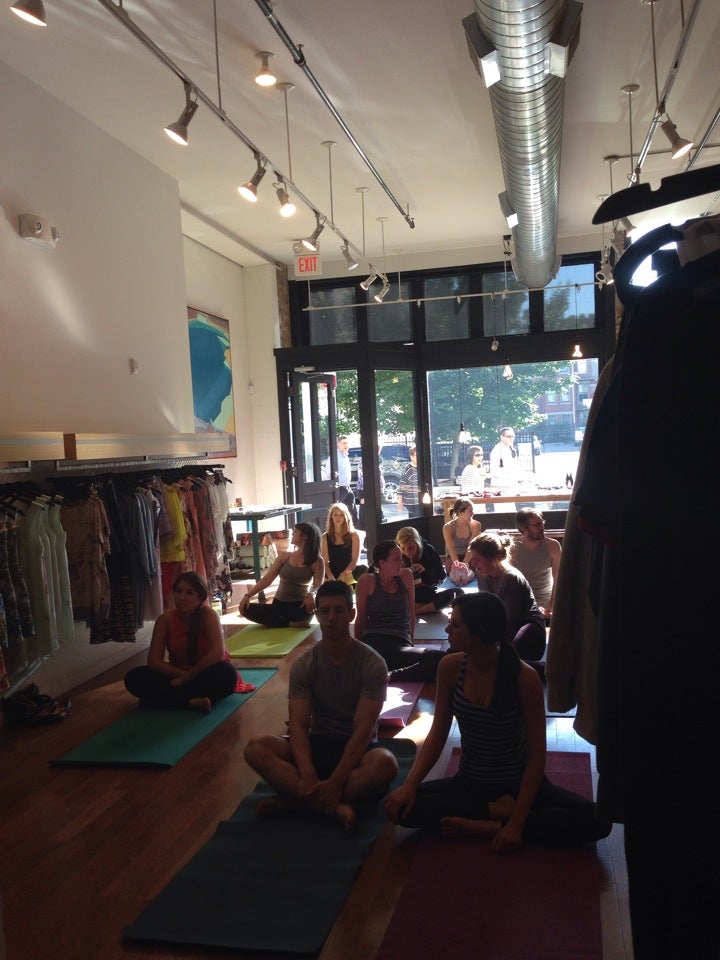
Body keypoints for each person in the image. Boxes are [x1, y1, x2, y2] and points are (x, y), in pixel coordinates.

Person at [384, 592, 611, 849]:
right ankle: (494, 811)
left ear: (479, 632)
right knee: (402, 808)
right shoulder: (450, 668)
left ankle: (490, 825)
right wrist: (410, 785)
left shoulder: (523, 678)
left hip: (518, 783)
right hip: (470, 782)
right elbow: (437, 735)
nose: (447, 630)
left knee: (598, 821)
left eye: (455, 625)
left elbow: (537, 756)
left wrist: (517, 823)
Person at [243, 580, 399, 832]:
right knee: (256, 748)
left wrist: (336, 781)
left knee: (386, 764)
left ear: (351, 614)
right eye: (324, 611)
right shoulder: (305, 664)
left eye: (338, 610)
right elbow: (298, 724)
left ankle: (297, 803)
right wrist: (307, 772)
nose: (331, 618)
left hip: (357, 752)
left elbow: (363, 731)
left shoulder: (372, 664)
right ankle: (332, 806)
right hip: (317, 744)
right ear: (316, 615)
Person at [124, 571, 252, 713]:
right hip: (177, 673)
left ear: (200, 597)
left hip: (205, 673)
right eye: (178, 591)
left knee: (227, 673)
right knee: (134, 677)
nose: (182, 597)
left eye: (189, 593)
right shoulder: (165, 620)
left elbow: (217, 653)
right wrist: (182, 675)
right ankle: (190, 702)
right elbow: (154, 661)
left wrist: (186, 678)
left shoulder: (209, 615)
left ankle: (170, 699)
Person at [354, 540, 446, 682]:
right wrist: (357, 652)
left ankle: (390, 675)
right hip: (373, 642)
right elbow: (360, 619)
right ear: (382, 563)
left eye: (401, 558)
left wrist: (411, 644)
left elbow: (411, 614)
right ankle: (382, 671)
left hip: (400, 643)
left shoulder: (406, 576)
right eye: (396, 559)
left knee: (441, 660)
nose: (402, 563)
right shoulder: (367, 581)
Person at [466, 531, 546, 664]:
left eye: (477, 559)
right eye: (472, 558)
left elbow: (509, 620)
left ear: (493, 558)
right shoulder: (481, 573)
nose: (472, 563)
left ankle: (535, 669)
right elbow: (485, 607)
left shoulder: (511, 578)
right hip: (501, 627)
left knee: (503, 654)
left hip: (525, 630)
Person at [238, 522, 324, 628]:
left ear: (305, 536)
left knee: (308, 609)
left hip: (300, 606)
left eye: (296, 532)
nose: (292, 534)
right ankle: (290, 623)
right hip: (279, 604)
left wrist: (312, 594)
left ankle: (281, 621)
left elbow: (318, 585)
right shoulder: (285, 556)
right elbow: (267, 579)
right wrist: (248, 596)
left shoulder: (317, 561)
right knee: (245, 609)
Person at [395, 526, 463, 614]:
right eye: (403, 548)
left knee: (458, 593)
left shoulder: (428, 550)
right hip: (404, 594)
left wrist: (426, 571)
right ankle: (429, 607)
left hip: (425, 593)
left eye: (411, 548)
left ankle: (415, 610)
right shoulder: (396, 553)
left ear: (418, 544)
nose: (407, 552)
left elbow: (441, 577)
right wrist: (403, 572)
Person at [511, 509, 562, 619]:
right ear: (524, 529)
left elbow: (558, 577)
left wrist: (552, 604)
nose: (542, 527)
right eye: (537, 525)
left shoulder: (553, 546)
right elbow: (510, 581)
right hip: (522, 600)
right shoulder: (513, 548)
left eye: (542, 523)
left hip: (546, 600)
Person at [321, 503, 367, 585]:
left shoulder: (354, 535)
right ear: (331, 516)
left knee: (363, 569)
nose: (338, 518)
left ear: (346, 517)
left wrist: (343, 574)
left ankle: (346, 585)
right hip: (331, 571)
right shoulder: (324, 537)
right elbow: (325, 562)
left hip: (348, 571)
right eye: (335, 515)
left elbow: (354, 561)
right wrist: (330, 576)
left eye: (341, 515)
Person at [442, 498, 482, 585]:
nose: (473, 513)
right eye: (470, 511)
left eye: (473, 510)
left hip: (469, 556)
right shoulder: (448, 527)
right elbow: (451, 548)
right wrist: (457, 565)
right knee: (454, 574)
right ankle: (457, 577)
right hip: (453, 557)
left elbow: (471, 546)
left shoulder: (476, 525)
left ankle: (465, 577)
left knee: (470, 573)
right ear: (460, 513)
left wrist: (465, 564)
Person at [322, 435, 358, 524]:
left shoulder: (345, 456)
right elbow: (328, 474)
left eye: (347, 443)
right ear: (338, 444)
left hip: (347, 488)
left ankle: (352, 529)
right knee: (337, 512)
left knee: (352, 512)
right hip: (339, 489)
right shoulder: (334, 457)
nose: (346, 445)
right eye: (343, 443)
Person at [489, 427, 519, 493]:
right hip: (501, 487)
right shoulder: (498, 450)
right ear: (501, 437)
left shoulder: (509, 448)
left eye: (513, 436)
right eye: (509, 436)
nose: (511, 438)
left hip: (510, 485)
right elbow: (496, 471)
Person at [396, 445, 419, 515]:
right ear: (411, 456)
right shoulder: (408, 469)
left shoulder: (419, 468)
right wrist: (400, 503)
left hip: (418, 501)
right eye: (416, 456)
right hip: (412, 502)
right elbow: (401, 487)